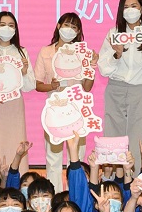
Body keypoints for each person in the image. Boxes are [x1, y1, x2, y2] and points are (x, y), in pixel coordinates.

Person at [100, 0, 142, 172]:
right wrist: (117, 54)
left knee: (140, 136)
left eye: (134, 6)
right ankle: (114, 180)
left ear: (141, 9)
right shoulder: (114, 33)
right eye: (126, 7)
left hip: (140, 90)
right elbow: (103, 68)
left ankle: (137, 179)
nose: (130, 10)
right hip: (116, 89)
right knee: (113, 135)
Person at [34, 12, 97, 176]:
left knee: (77, 156)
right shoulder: (46, 52)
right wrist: (51, 86)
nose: (69, 30)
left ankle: (75, 189)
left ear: (78, 32)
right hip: (54, 109)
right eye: (66, 25)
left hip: (77, 109)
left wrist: (91, 67)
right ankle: (54, 191)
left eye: (74, 27)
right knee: (53, 156)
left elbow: (87, 87)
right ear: (58, 26)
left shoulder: (82, 53)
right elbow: (37, 84)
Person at [0, 11, 31, 181]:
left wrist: (24, 72)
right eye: (3, 25)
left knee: (14, 143)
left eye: (11, 25)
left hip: (14, 106)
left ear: (16, 30)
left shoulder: (21, 52)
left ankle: (16, 182)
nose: (7, 29)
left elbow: (30, 86)